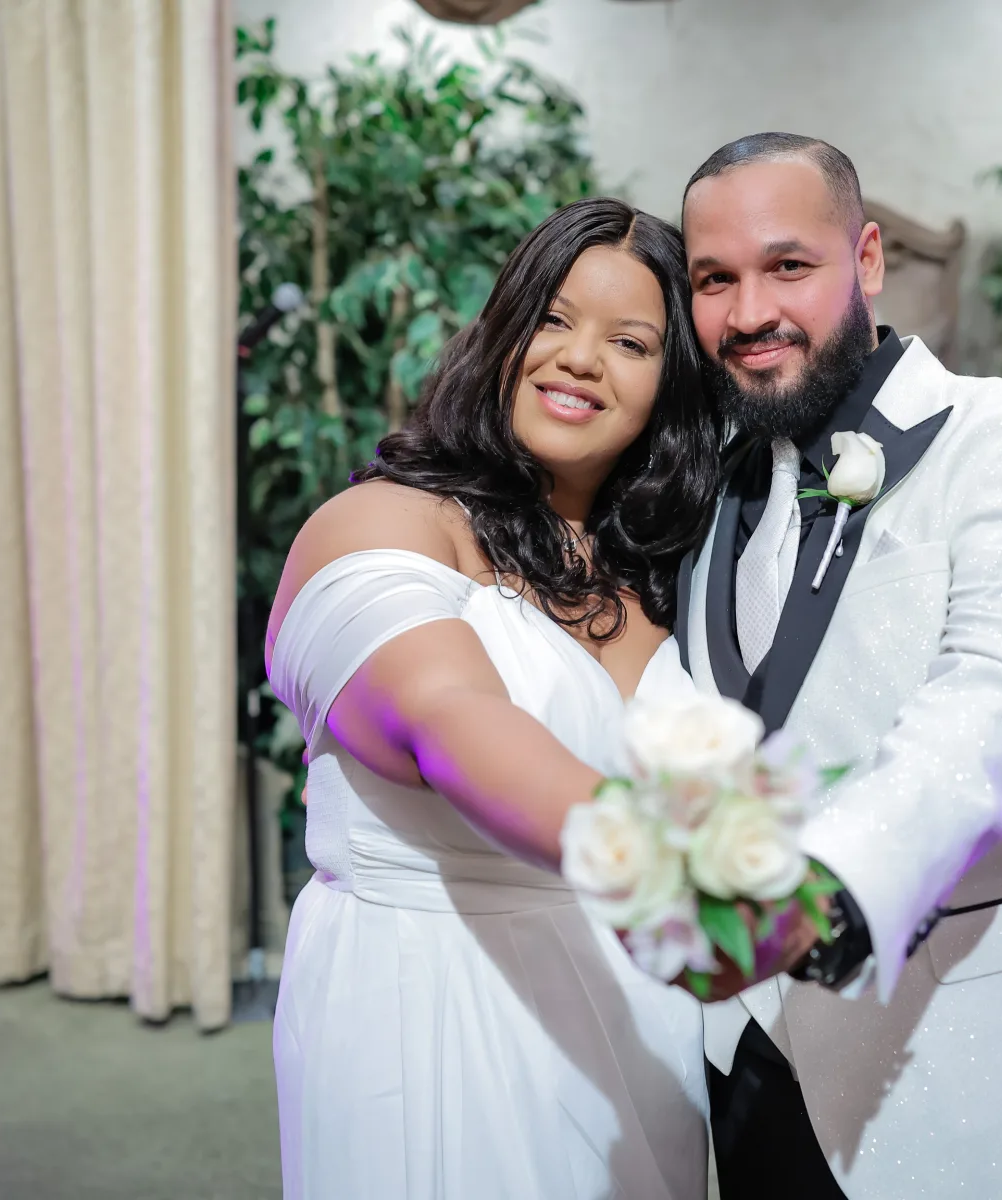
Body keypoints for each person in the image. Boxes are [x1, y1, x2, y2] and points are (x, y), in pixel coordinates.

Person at [673, 133, 1002, 1200]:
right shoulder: (702, 481)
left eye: (787, 265)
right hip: (741, 1059)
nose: (748, 310)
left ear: (865, 261)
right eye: (715, 279)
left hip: (961, 1061)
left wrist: (834, 885)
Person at [264, 197, 721, 1200]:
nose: (578, 358)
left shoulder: (669, 571)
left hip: (642, 1026)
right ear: (504, 332)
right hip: (433, 999)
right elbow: (447, 720)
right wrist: (665, 874)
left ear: (669, 385)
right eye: (552, 319)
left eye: (630, 341)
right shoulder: (382, 522)